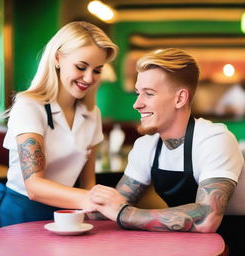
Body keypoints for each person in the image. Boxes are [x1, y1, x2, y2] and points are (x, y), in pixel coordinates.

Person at [89, 48, 245, 256]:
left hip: (234, 244)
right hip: (185, 246)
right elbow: (116, 206)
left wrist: (123, 213)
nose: (137, 104)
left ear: (180, 99)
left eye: (149, 94)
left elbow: (206, 218)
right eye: (138, 93)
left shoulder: (214, 139)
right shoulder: (146, 146)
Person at [0, 21, 118, 230]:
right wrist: (96, 200)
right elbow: (35, 187)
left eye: (97, 70)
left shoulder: (92, 114)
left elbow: (88, 182)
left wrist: (96, 208)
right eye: (81, 66)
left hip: (65, 215)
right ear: (58, 57)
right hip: (19, 214)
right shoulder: (29, 105)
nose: (88, 78)